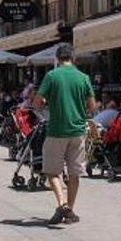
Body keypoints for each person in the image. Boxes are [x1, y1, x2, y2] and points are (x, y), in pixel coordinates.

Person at [33, 44, 96, 225]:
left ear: (57, 58)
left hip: (56, 131)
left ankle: (62, 204)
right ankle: (70, 209)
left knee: (52, 171)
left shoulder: (52, 76)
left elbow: (37, 103)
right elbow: (92, 106)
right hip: (77, 131)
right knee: (74, 174)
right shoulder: (83, 77)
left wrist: (48, 102)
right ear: (73, 58)